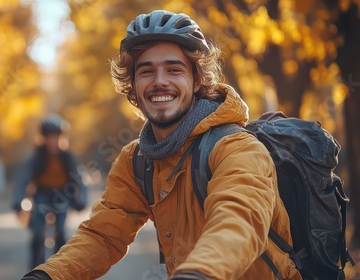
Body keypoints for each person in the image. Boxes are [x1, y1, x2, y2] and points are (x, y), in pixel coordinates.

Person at [21, 10, 301, 280]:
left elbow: (240, 222)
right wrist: (47, 275)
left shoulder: (236, 148)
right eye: (146, 71)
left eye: (174, 69)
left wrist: (198, 273)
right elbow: (104, 236)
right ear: (132, 85)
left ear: (197, 80)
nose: (160, 82)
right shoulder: (137, 160)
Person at [12, 114, 88, 269]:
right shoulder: (36, 158)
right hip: (42, 195)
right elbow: (23, 179)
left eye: (56, 137)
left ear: (62, 137)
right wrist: (17, 201)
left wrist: (82, 200)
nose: (53, 141)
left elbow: (79, 179)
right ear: (43, 138)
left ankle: (60, 270)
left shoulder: (68, 157)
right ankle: (35, 270)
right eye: (49, 137)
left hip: (62, 195)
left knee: (60, 233)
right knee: (38, 234)